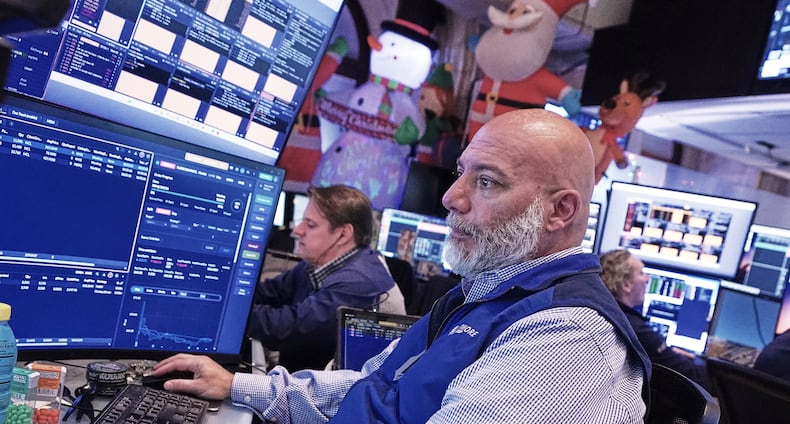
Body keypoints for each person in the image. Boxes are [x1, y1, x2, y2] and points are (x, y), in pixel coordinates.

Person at [150, 109, 651, 423]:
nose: (452, 198)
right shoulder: (484, 296)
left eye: (488, 182)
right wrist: (238, 385)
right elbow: (371, 386)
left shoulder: (568, 337)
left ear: (559, 211)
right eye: (462, 175)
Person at [247, 184, 405, 371]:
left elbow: (290, 330)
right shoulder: (316, 263)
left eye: (310, 224)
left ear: (343, 234)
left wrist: (231, 313)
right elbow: (269, 292)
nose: (297, 230)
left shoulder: (360, 281)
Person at [599, 249, 712, 390]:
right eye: (641, 273)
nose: (647, 278)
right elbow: (692, 375)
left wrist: (669, 353)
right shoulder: (636, 330)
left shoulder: (604, 311)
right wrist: (706, 365)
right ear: (626, 285)